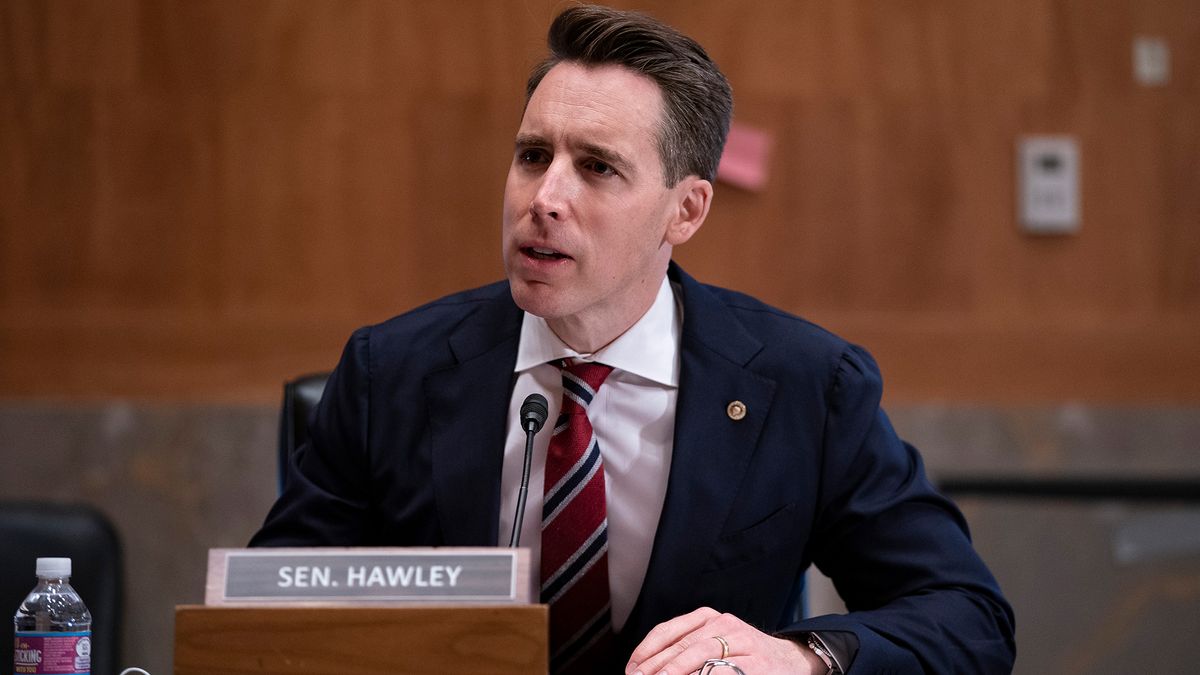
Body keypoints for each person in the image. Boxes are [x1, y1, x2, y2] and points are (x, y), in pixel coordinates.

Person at [251, 5, 1015, 674]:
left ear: (685, 211)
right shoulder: (393, 373)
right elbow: (264, 619)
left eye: (597, 167)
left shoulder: (807, 386)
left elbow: (966, 614)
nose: (545, 198)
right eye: (532, 156)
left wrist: (798, 656)